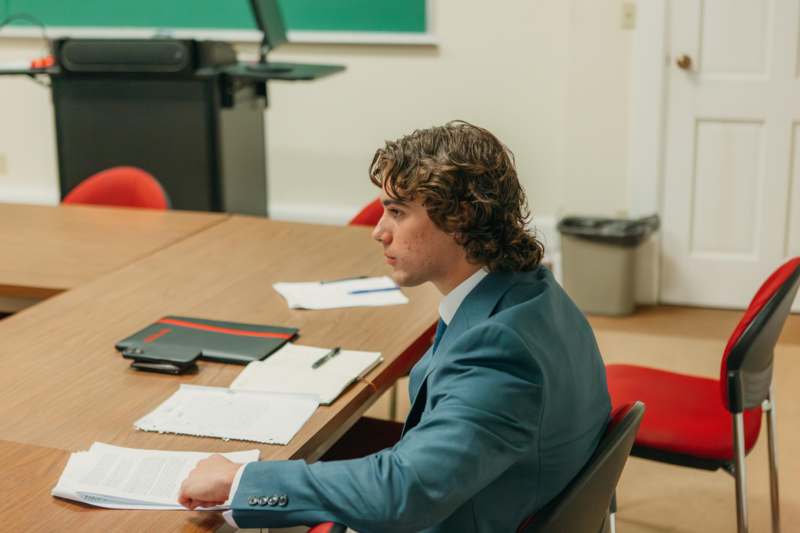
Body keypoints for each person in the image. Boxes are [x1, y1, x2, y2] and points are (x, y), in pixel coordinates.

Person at [179, 121, 611, 532]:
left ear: (459, 218)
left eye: (397, 212)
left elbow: (404, 492)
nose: (379, 232)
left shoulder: (499, 348)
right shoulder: (532, 288)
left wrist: (241, 481)